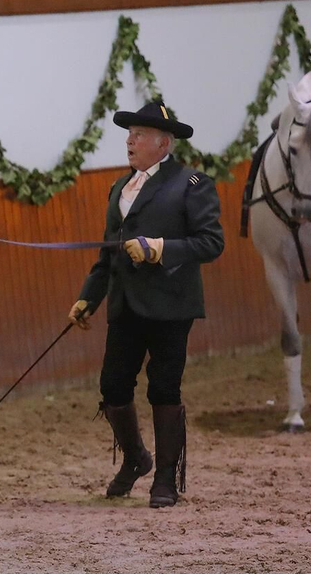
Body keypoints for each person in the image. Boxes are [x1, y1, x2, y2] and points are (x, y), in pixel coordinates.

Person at [69, 101, 224, 509]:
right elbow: (108, 253)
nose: (130, 140)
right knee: (113, 385)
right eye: (130, 134)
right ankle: (137, 457)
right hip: (125, 302)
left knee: (164, 387)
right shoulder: (120, 187)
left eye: (138, 135)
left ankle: (166, 479)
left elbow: (211, 242)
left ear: (163, 143)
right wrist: (89, 295)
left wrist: (160, 249)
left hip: (171, 303)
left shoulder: (192, 184)